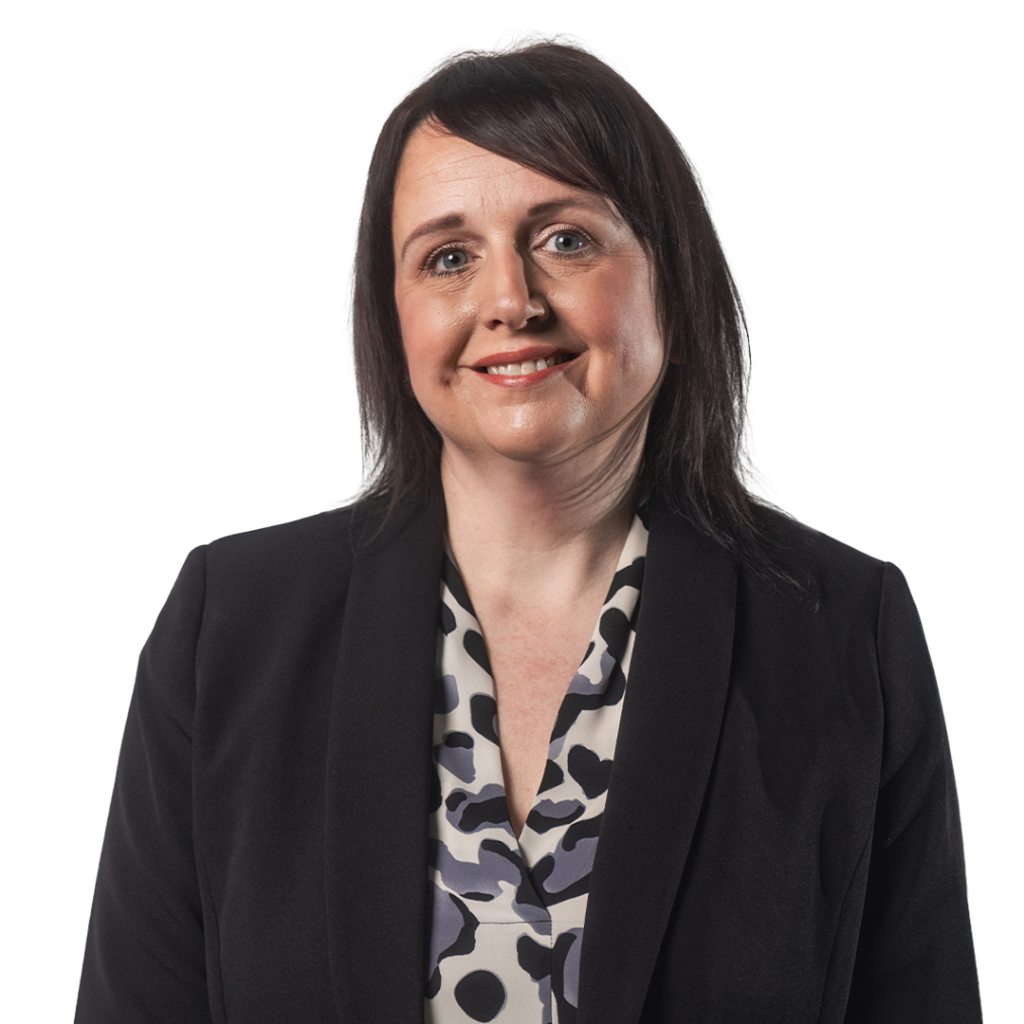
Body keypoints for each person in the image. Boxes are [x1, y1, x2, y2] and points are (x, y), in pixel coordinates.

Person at [75, 42, 982, 1024]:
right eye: (448, 257)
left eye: (565, 240)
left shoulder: (841, 633)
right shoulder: (231, 629)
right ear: (392, 314)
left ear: (672, 281)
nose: (510, 300)